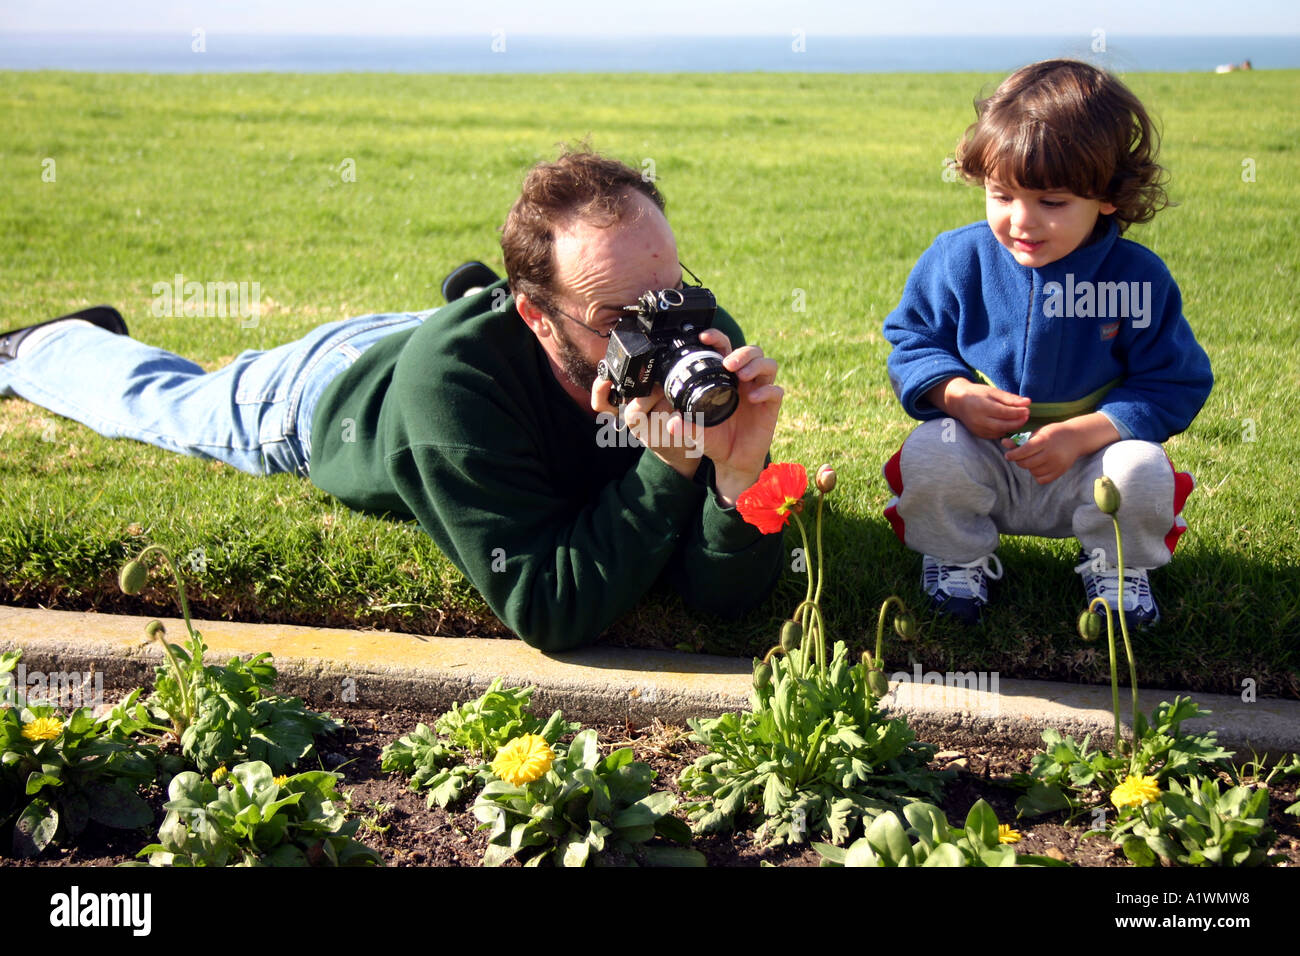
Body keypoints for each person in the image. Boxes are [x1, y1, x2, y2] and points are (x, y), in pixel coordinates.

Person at [0, 150, 786, 651]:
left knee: (521, 323)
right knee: (166, 404)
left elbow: (722, 601)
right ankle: (41, 346)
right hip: (326, 389)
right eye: (621, 318)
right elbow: (549, 605)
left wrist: (738, 479)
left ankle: (474, 291)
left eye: (672, 294)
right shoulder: (452, 394)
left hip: (485, 325)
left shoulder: (693, 339)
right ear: (540, 317)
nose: (668, 330)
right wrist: (665, 467)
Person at [880, 60, 1213, 627]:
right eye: (1001, 195)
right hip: (987, 458)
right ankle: (957, 559)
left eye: (1051, 203)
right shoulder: (958, 259)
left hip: (1089, 466)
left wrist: (1086, 433)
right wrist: (955, 395)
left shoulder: (1137, 277)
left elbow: (1173, 381)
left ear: (1108, 195)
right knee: (931, 449)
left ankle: (1117, 567)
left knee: (1142, 468)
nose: (1021, 222)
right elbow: (912, 340)